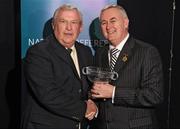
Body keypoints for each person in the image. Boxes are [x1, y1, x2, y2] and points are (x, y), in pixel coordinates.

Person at [21, 4, 97, 129]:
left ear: (80, 27)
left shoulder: (85, 51)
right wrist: (85, 108)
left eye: (74, 22)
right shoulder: (38, 52)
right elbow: (47, 94)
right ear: (53, 25)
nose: (69, 27)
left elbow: (85, 88)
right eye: (63, 22)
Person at [90, 4, 164, 129]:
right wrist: (92, 103)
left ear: (125, 23)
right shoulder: (100, 53)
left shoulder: (146, 52)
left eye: (113, 21)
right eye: (104, 23)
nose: (108, 27)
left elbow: (154, 95)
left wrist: (113, 92)